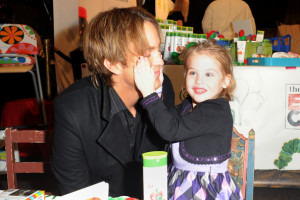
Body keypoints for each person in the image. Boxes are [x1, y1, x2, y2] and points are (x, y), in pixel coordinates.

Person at [51, 7, 175, 199]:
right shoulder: (73, 111)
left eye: (158, 50)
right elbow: (75, 192)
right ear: (113, 64)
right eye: (147, 53)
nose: (160, 61)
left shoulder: (163, 89)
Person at [134, 39, 242, 199]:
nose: (199, 80)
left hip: (205, 189)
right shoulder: (188, 105)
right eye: (193, 72)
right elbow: (165, 119)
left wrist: (149, 94)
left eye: (209, 74)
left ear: (225, 81)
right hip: (180, 180)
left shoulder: (216, 110)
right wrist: (157, 88)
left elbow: (171, 130)